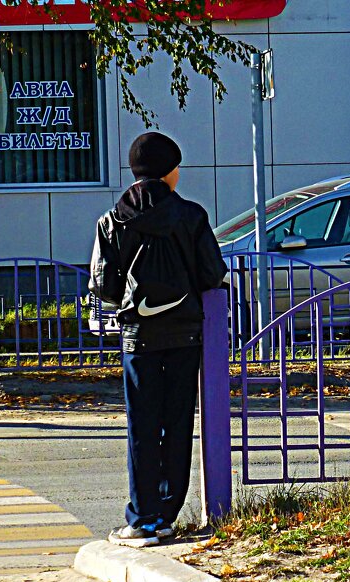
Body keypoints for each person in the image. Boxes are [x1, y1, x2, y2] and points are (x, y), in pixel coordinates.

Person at [90, 131, 228, 547]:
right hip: (186, 337)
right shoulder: (193, 216)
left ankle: (141, 519)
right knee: (178, 423)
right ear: (168, 172)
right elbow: (211, 274)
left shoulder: (111, 220)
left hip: (139, 339)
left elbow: (103, 285)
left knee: (142, 429)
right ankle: (167, 514)